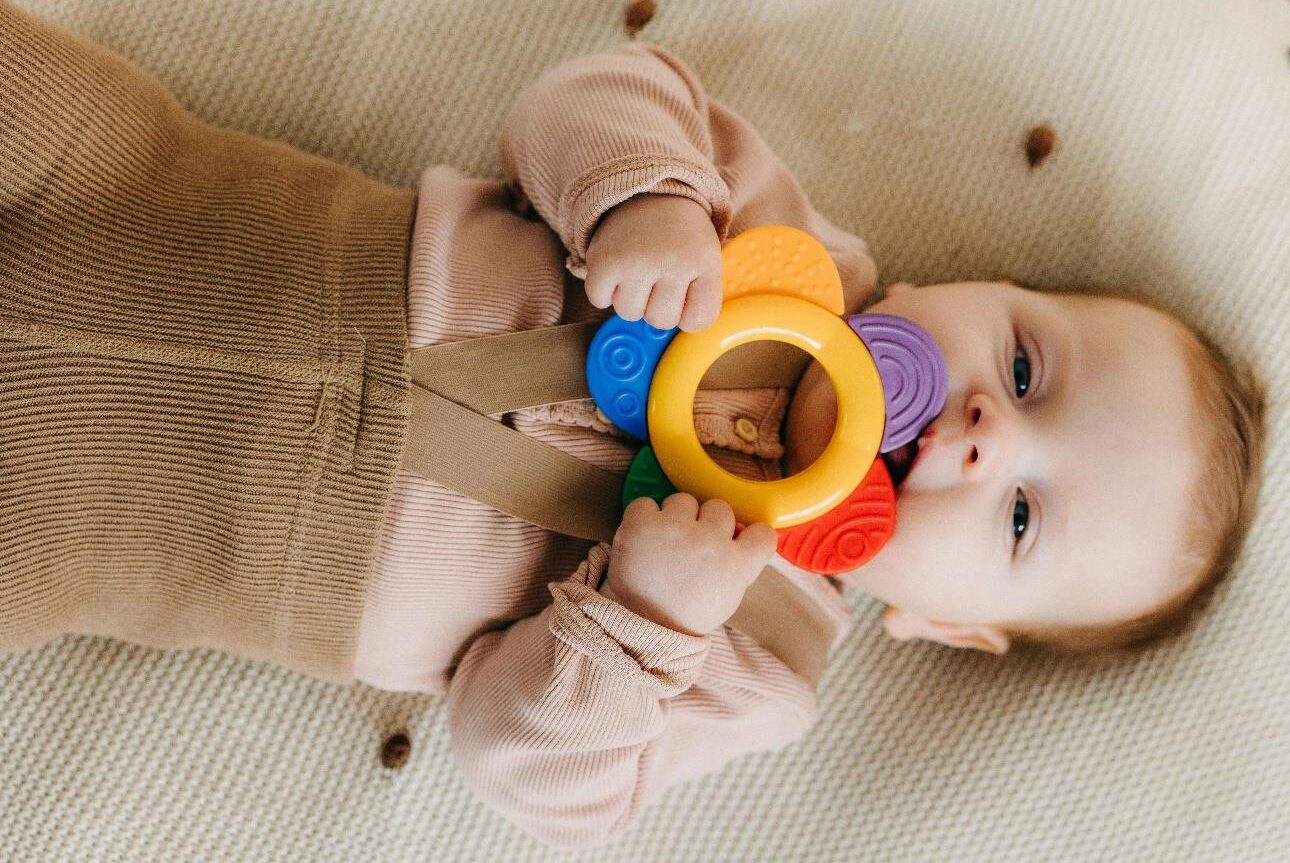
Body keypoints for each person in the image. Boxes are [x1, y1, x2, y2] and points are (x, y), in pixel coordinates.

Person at [0, 1, 1264, 849]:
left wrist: (646, 624)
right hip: (119, 186)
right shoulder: (779, 247)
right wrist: (642, 204)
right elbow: (603, 89)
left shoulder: (752, 659)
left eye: (1023, 515)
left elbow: (530, 773)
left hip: (80, 524)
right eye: (1030, 365)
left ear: (941, 626)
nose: (990, 431)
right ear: (983, 288)